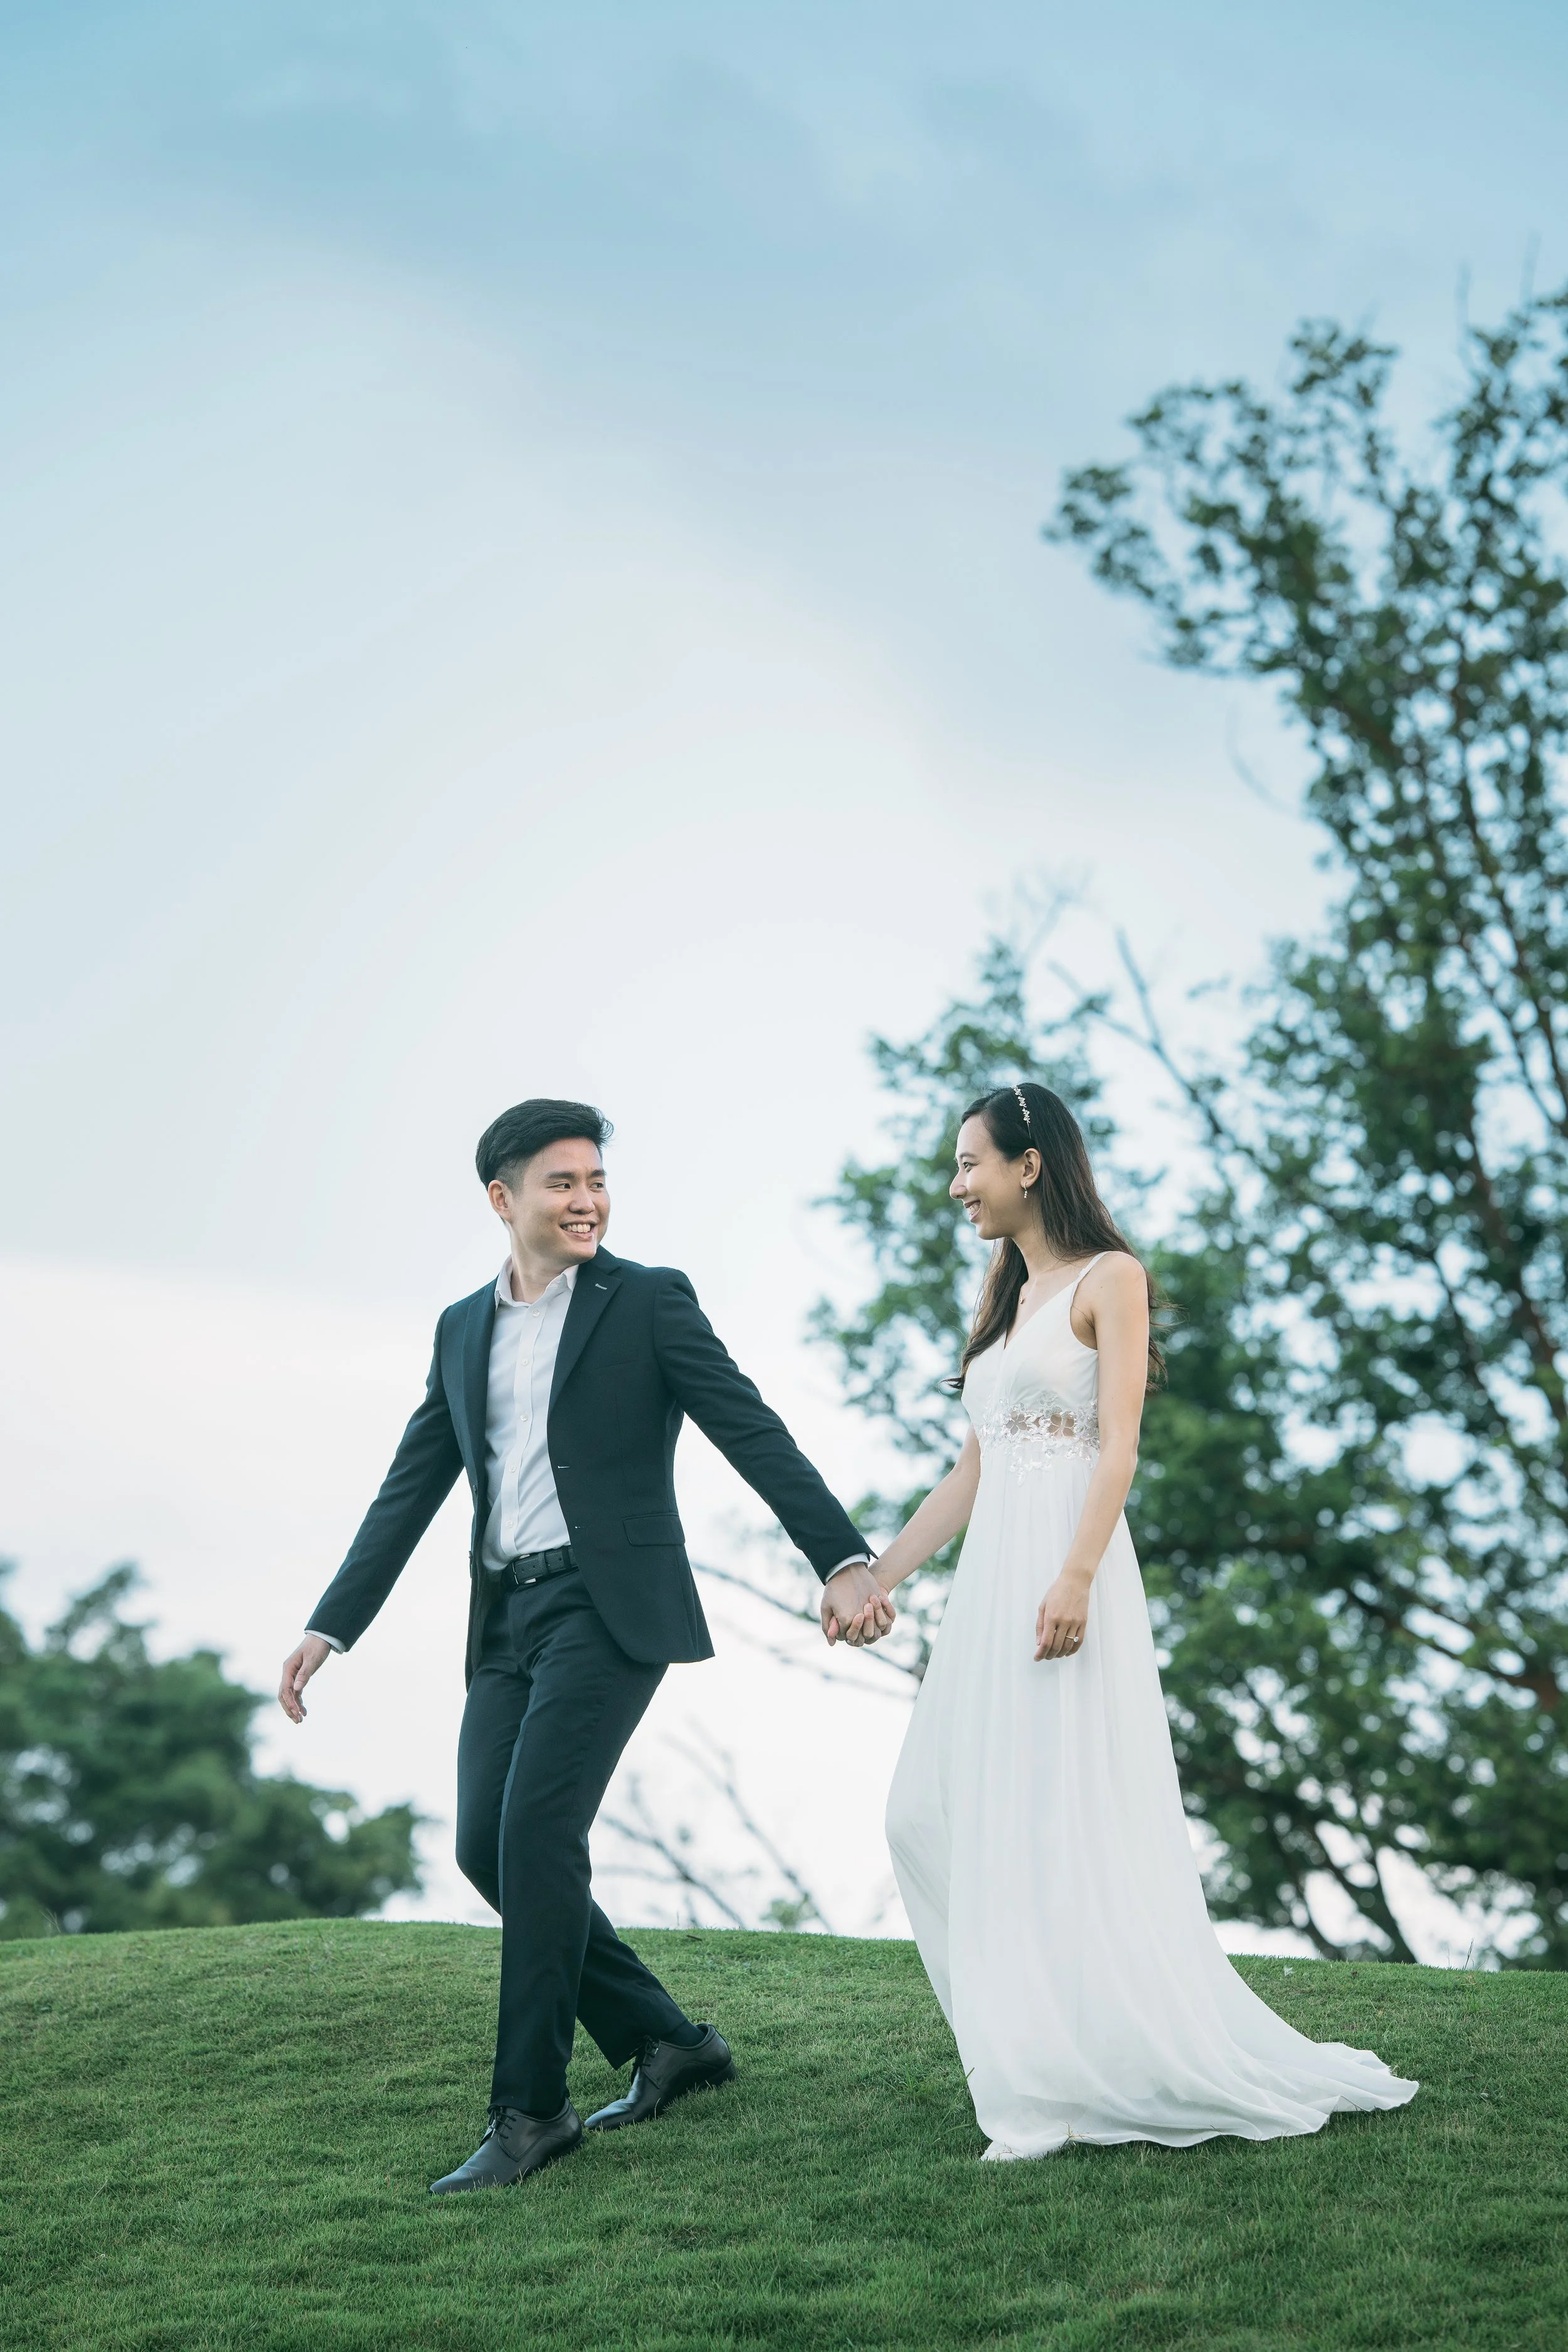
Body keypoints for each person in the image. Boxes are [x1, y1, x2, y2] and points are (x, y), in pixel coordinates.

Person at [278, 1098, 889, 2193]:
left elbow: (749, 1427)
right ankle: (672, 2041)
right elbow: (415, 1479)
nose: (588, 1201)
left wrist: (841, 1557)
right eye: (563, 1183)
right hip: (508, 1616)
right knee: (485, 1844)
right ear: (503, 1199)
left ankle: (529, 2111)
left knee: (539, 1828)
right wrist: (332, 1623)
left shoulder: (647, 1301)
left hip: (608, 1613)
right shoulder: (463, 1326)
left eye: (597, 1180)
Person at [833, 1081, 1417, 2160]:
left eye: (970, 1163)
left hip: (1068, 1564)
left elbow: (1118, 1447)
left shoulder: (1113, 1278)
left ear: (1029, 1164)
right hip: (990, 1581)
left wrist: (1077, 1576)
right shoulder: (1001, 1295)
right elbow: (972, 1466)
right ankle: (1029, 2050)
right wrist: (877, 1572)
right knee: (925, 1811)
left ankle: (1061, 2071)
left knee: (1059, 1813)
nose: (956, 1185)